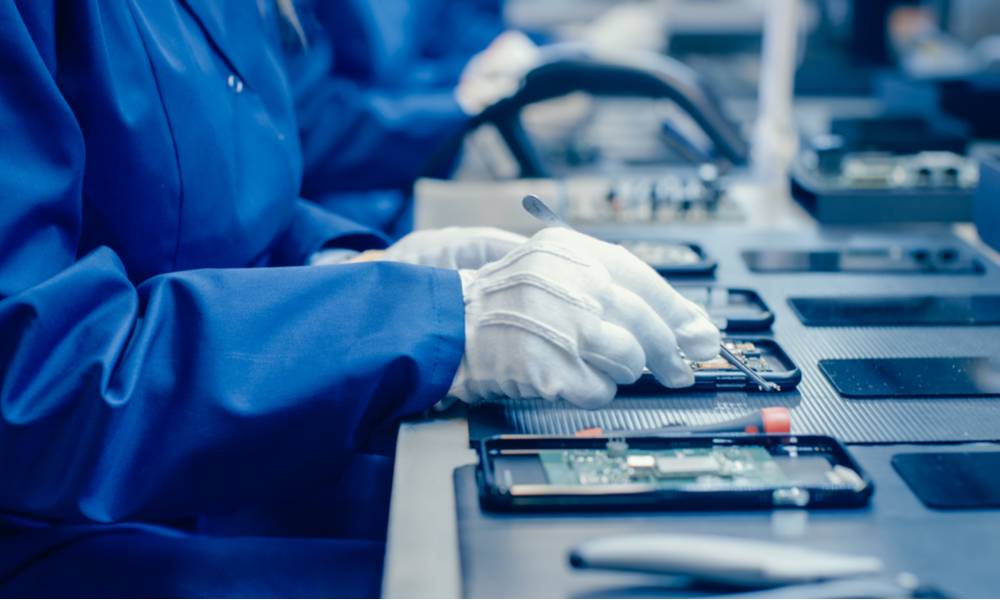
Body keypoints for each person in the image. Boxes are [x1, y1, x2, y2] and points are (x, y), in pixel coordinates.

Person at [0, 1, 718, 596]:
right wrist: (424, 317)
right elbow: (35, 379)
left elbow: (227, 204)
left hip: (209, 465)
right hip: (65, 537)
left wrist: (350, 259)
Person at [286, 0, 540, 237]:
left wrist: (491, 71)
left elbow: (442, 37)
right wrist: (458, 106)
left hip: (396, 164)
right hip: (337, 198)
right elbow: (309, 122)